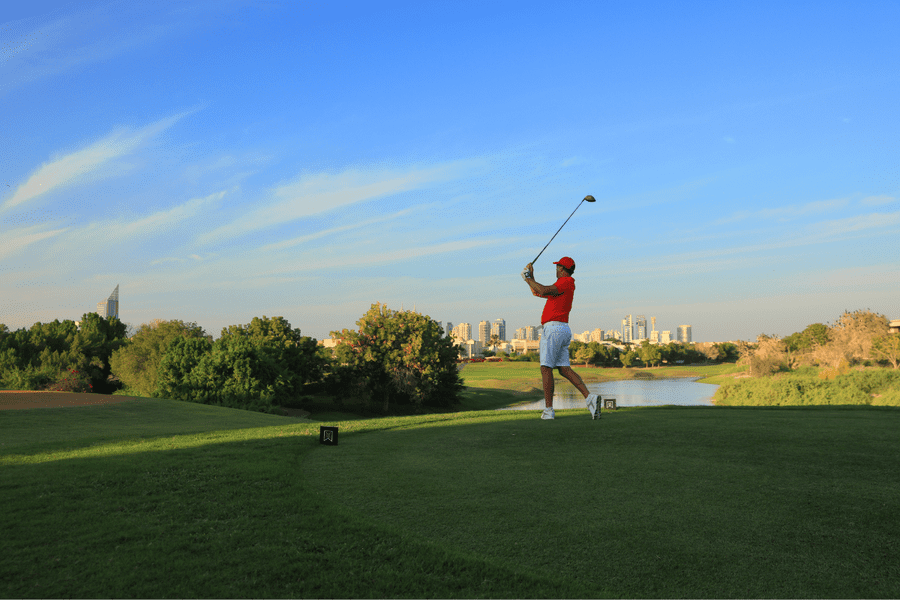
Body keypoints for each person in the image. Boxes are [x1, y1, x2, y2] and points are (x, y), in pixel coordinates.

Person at [522, 257, 599, 420]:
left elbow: (542, 290)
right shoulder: (561, 287)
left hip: (554, 329)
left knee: (546, 368)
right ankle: (590, 398)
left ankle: (549, 410)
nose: (555, 270)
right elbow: (537, 291)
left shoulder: (566, 282)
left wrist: (527, 278)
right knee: (564, 369)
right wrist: (531, 278)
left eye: (557, 267)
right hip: (561, 329)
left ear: (562, 269)